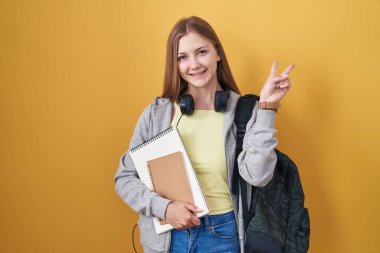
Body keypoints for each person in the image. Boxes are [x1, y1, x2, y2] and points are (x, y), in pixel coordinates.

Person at [114, 16, 294, 253]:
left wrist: (267, 108)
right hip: (168, 240)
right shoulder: (158, 114)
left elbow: (258, 175)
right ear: (175, 64)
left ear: (217, 53)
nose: (194, 64)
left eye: (201, 52)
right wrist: (164, 208)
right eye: (183, 57)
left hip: (224, 236)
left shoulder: (245, 111)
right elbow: (124, 178)